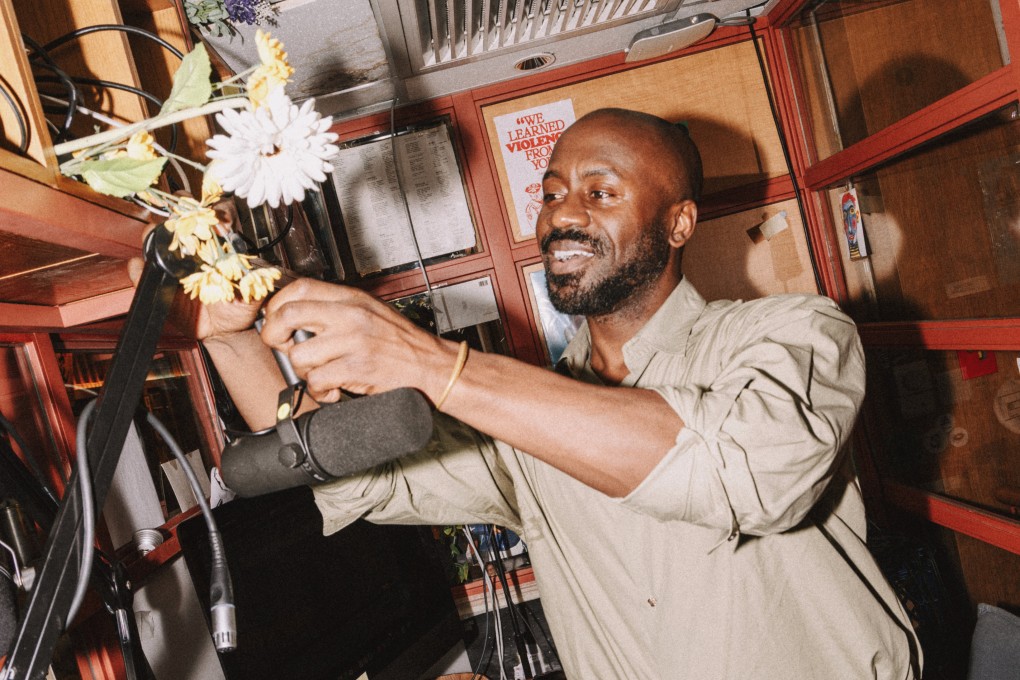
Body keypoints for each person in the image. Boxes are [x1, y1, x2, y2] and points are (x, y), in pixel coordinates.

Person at [196, 108, 921, 679]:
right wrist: (233, 337)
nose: (560, 216)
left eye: (600, 192)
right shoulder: (528, 414)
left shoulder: (795, 335)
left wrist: (434, 365)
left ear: (679, 222)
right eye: (550, 193)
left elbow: (739, 475)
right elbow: (347, 467)